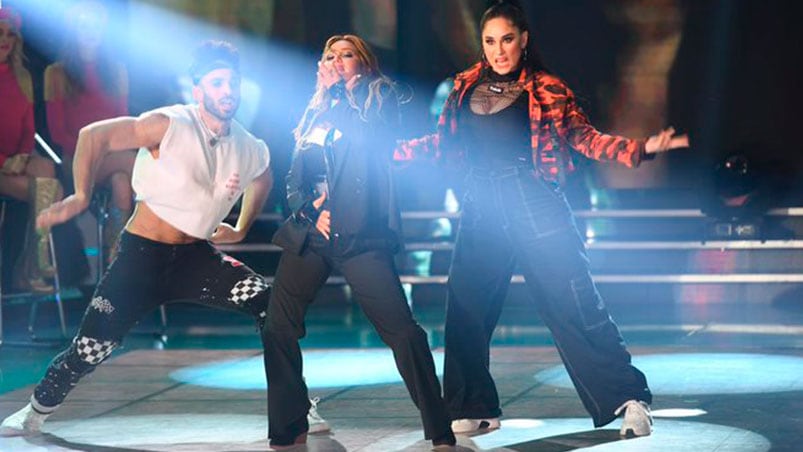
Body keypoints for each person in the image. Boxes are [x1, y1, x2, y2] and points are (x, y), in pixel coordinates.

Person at [0, 40, 328, 439]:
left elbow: (264, 176)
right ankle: (37, 409)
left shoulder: (248, 144)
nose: (228, 91)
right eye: (218, 82)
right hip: (141, 258)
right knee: (90, 348)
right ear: (199, 90)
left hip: (197, 259)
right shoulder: (169, 123)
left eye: (234, 83)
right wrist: (81, 195)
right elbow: (92, 136)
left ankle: (296, 404)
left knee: (271, 308)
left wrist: (240, 227)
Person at [395, 0, 689, 438]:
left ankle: (629, 399)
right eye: (490, 41)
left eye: (507, 40)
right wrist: (387, 152)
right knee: (466, 311)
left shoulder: (547, 88)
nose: (499, 50)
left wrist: (639, 149)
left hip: (534, 201)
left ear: (524, 40)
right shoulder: (462, 88)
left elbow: (585, 139)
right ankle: (474, 405)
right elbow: (438, 144)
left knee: (574, 303)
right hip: (482, 208)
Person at [264, 34, 456, 449]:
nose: (337, 62)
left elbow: (371, 146)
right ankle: (288, 426)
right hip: (314, 233)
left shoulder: (379, 100)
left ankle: (439, 428)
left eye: (346, 55)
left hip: (362, 236)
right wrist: (312, 213)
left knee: (402, 332)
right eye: (330, 56)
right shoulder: (315, 112)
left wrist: (337, 93)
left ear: (364, 65)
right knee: (277, 325)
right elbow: (294, 178)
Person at [44, 0, 134, 263]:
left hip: (113, 159)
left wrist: (109, 148)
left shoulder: (118, 71)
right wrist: (97, 149)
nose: (90, 30)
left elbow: (125, 125)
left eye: (96, 24)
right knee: (145, 165)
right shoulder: (56, 73)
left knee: (122, 185)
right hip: (77, 159)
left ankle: (114, 260)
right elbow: (57, 133)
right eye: (84, 24)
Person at [0, 7, 63, 293]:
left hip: (16, 161)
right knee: (52, 191)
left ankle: (31, 265)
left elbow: (28, 129)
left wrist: (23, 156)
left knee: (48, 173)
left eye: (11, 34)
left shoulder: (22, 76)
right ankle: (32, 266)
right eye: (0, 33)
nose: (5, 40)